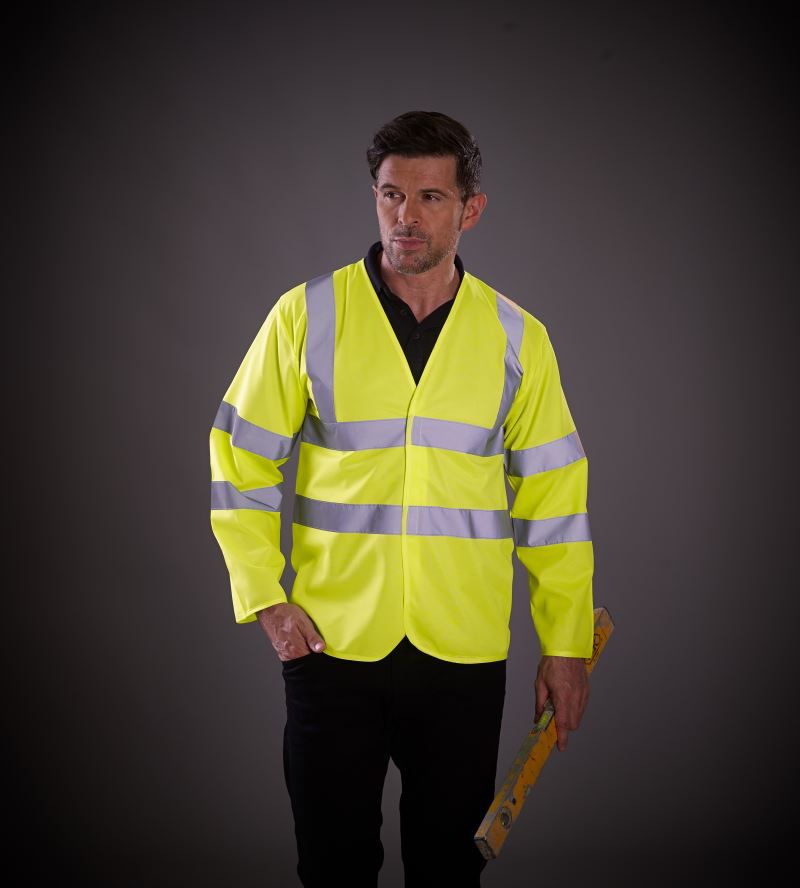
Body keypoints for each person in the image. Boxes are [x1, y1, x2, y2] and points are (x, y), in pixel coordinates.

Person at [209, 110, 594, 887]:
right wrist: (264, 599)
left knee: (448, 872)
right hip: (331, 647)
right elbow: (238, 460)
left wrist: (566, 642)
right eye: (390, 194)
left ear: (470, 209)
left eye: (429, 197)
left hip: (462, 654)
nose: (405, 216)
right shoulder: (307, 316)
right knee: (333, 868)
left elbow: (555, 500)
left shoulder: (518, 338)